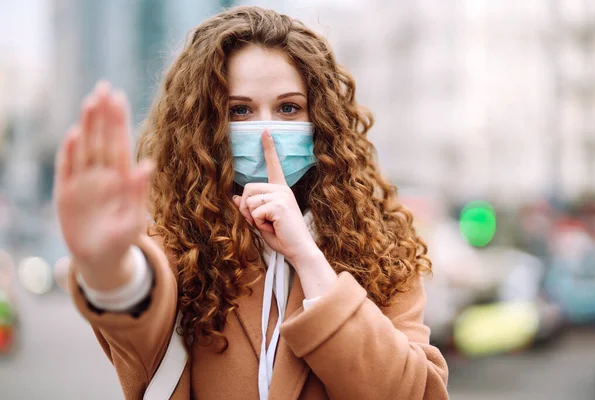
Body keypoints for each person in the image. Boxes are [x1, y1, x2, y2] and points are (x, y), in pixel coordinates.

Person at [54, 6, 448, 400]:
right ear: (204, 126)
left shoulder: (380, 248)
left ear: (323, 119)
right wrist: (108, 267)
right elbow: (138, 307)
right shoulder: (176, 243)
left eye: (288, 108)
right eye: (239, 111)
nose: (265, 131)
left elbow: (415, 392)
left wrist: (308, 259)